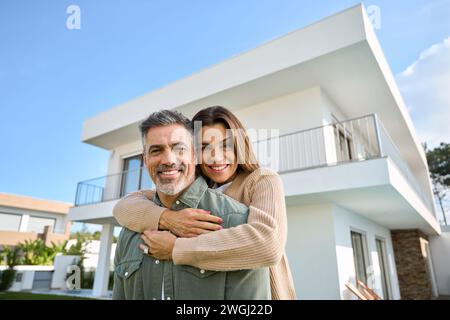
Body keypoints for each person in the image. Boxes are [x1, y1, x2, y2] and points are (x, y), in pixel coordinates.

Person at [114, 106, 297, 300]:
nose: (216, 157)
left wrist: (176, 248)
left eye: (225, 145)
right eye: (204, 147)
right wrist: (168, 218)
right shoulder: (190, 185)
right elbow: (124, 207)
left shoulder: (261, 180)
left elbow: (267, 245)